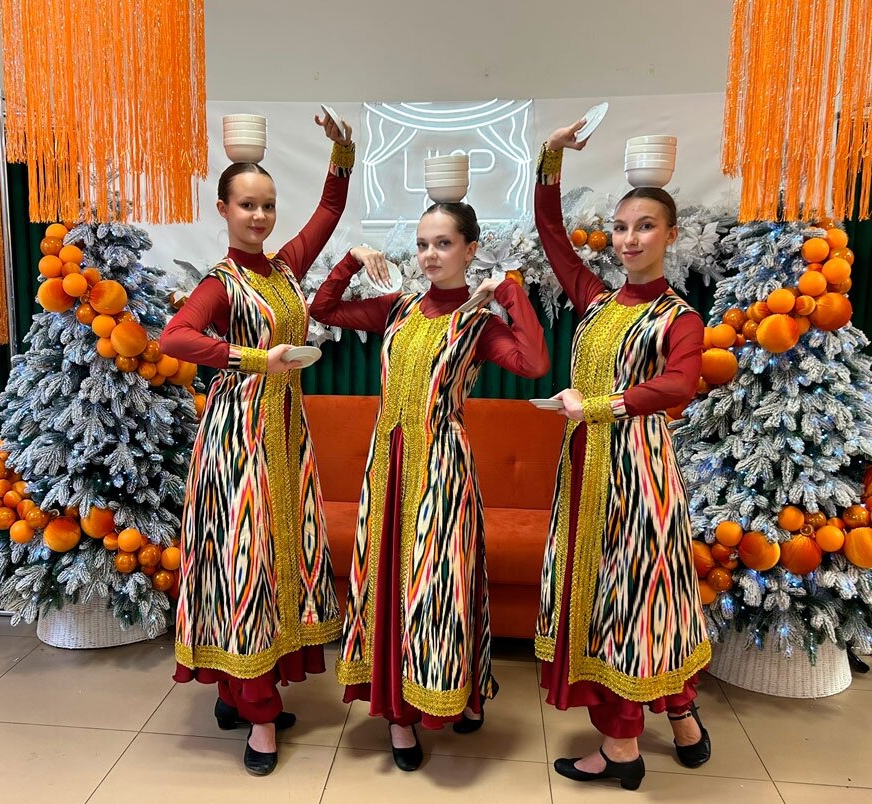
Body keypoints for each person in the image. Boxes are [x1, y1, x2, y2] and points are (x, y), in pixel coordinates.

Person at [309, 201, 550, 771]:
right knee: (389, 581)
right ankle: (399, 717)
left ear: (470, 248)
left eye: (443, 244)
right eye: (422, 244)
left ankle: (458, 688)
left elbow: (535, 363)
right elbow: (324, 309)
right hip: (387, 466)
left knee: (445, 584)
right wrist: (352, 259)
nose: (429, 255)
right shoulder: (398, 307)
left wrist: (508, 290)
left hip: (443, 465)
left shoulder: (478, 323)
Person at [160, 113, 354, 776]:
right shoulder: (221, 281)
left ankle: (235, 692)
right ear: (224, 210)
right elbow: (175, 338)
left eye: (268, 205)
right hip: (238, 442)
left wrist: (342, 150)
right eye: (248, 205)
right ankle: (260, 717)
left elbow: (329, 211)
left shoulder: (283, 269)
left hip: (286, 438)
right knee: (245, 564)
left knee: (275, 563)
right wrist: (250, 358)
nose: (261, 216)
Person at [532, 119, 711, 791]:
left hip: (637, 472)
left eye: (645, 227)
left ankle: (622, 752)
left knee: (633, 597)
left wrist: (599, 405)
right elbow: (553, 236)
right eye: (621, 227)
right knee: (630, 595)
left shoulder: (679, 316)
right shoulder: (598, 300)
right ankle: (683, 721)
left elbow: (681, 384)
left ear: (671, 235)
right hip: (586, 467)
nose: (630, 239)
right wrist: (551, 159)